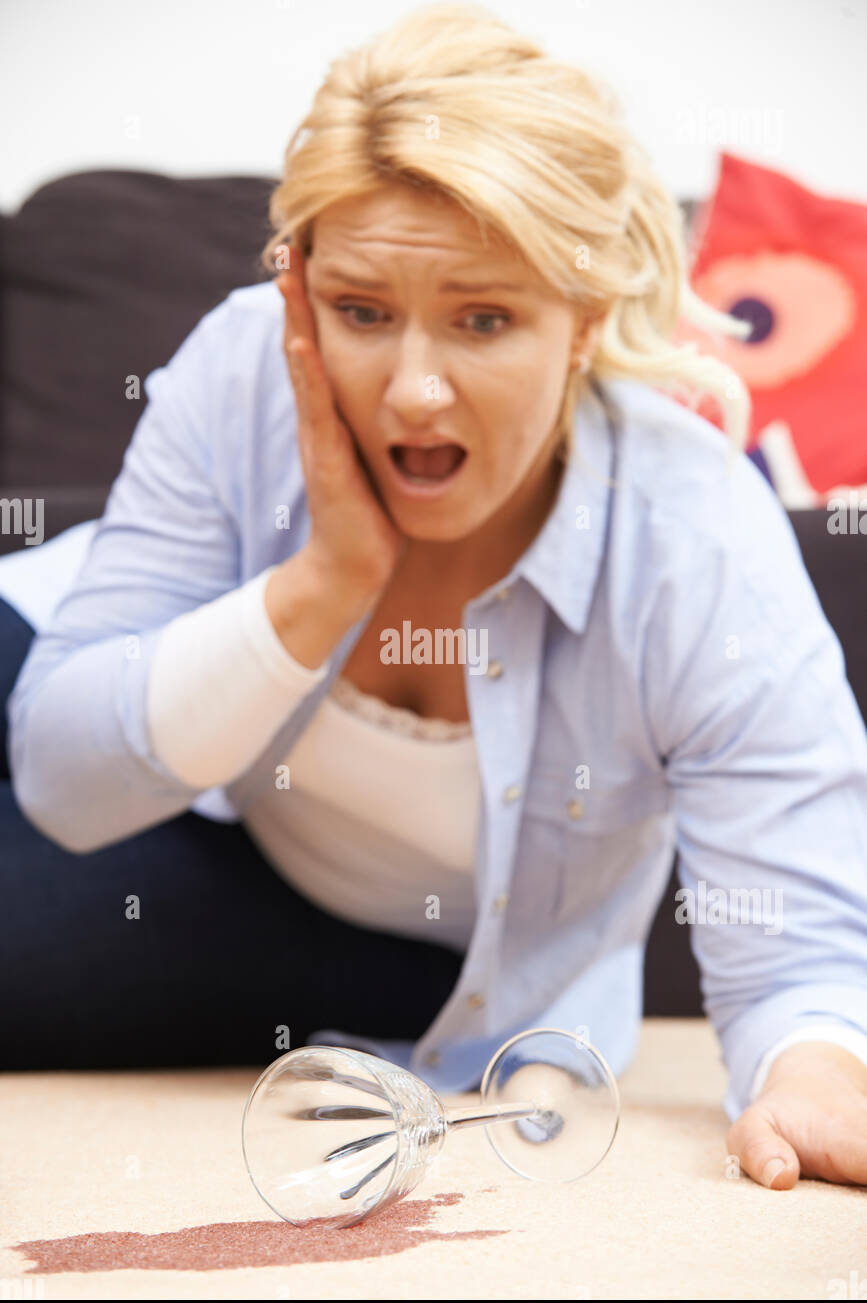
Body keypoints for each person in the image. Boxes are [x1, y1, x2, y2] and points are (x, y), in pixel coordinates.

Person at [4, 3, 867, 1192]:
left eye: (484, 319)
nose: (412, 391)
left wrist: (817, 1070)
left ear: (582, 320)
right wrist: (325, 585)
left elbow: (796, 963)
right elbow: (62, 759)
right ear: (300, 292)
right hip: (96, 658)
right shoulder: (246, 360)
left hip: (361, 925)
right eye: (361, 311)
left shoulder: (695, 535)